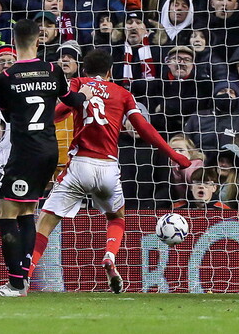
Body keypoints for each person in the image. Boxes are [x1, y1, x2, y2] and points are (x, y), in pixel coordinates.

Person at [28, 49, 191, 294]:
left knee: (45, 224)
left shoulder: (77, 83)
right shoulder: (123, 93)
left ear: (84, 70)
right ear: (110, 72)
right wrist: (174, 155)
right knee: (116, 217)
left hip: (79, 164)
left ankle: (23, 277)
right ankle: (109, 256)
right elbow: (144, 128)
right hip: (108, 167)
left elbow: (56, 114)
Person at [0, 19, 92, 297]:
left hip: (25, 152)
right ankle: (22, 280)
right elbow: (71, 100)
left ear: (15, 41)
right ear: (39, 40)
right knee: (28, 212)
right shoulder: (53, 70)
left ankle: (15, 283)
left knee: (6, 215)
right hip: (50, 151)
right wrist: (85, 95)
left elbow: (7, 116)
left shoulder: (5, 79)